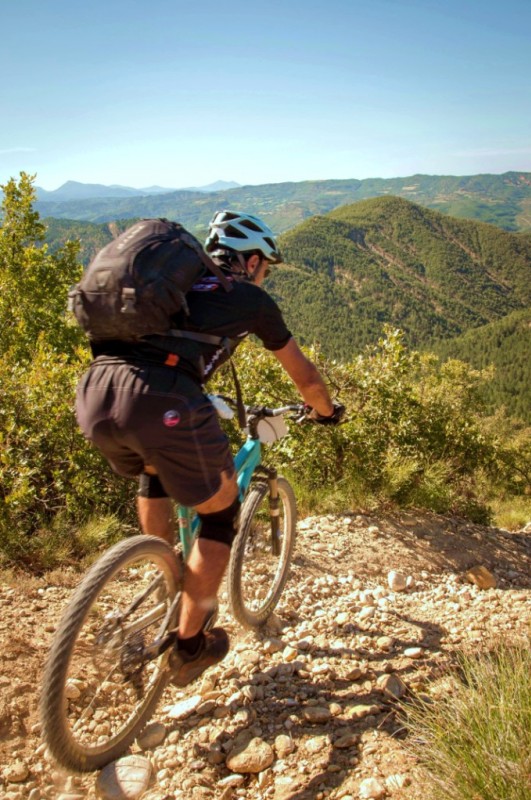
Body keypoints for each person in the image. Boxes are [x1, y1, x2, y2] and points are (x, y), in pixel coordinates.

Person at [76, 210, 344, 686]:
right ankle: (188, 646)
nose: (265, 276)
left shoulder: (165, 294)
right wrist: (326, 410)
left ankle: (164, 572)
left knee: (156, 469)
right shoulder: (247, 298)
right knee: (221, 515)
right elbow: (305, 377)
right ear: (254, 260)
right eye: (266, 268)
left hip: (96, 394)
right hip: (161, 401)